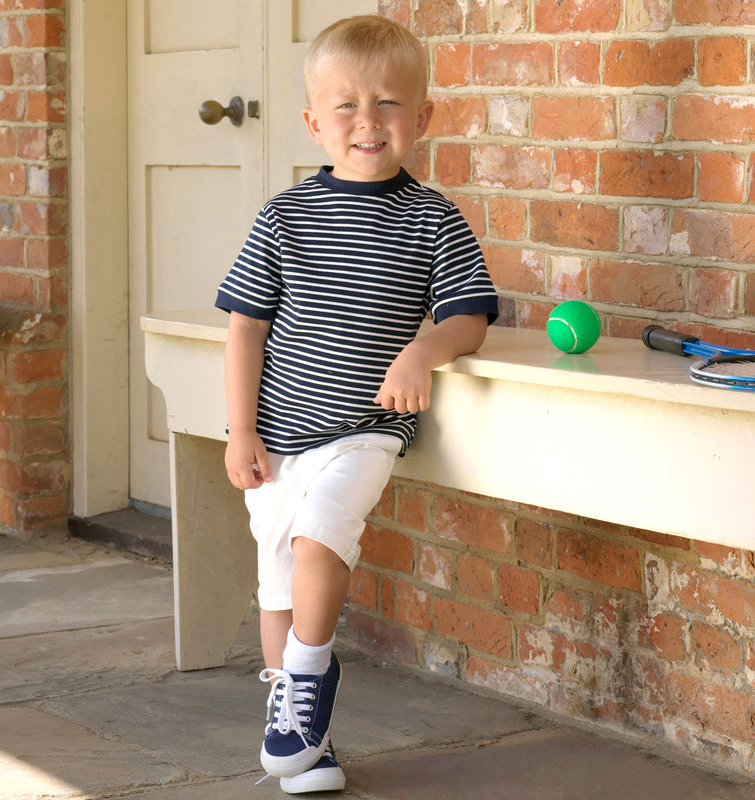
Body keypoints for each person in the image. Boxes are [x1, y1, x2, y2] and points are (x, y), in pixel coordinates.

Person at [215, 14, 498, 794]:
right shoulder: (285, 216)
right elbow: (244, 330)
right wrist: (242, 431)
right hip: (278, 433)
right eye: (344, 105)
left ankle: (307, 677)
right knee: (278, 583)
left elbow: (468, 316)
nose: (367, 121)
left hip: (364, 429)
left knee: (319, 541)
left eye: (388, 104)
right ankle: (305, 734)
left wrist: (422, 352)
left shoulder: (432, 217)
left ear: (424, 118)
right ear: (313, 123)